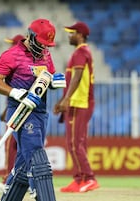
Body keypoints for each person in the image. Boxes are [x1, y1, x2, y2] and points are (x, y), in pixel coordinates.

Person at [0, 18, 65, 201]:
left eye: (47, 44)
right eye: (41, 43)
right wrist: (16, 93)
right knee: (36, 153)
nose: (44, 48)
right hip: (21, 113)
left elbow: (47, 77)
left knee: (24, 160)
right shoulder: (11, 55)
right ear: (30, 36)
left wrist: (54, 83)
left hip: (40, 113)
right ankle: (43, 195)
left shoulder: (46, 55)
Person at [53, 21, 99, 193]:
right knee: (76, 142)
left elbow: (77, 77)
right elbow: (73, 79)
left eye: (72, 32)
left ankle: (89, 177)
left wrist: (66, 99)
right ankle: (79, 179)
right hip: (77, 101)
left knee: (74, 143)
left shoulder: (80, 52)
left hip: (80, 102)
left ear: (80, 34)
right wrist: (63, 99)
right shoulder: (81, 52)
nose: (69, 35)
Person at [0, 34, 24, 193]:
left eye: (12, 44)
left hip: (18, 112)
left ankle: (7, 180)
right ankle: (19, 180)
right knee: (21, 148)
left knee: (11, 147)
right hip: (23, 110)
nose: (10, 47)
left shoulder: (15, 61)